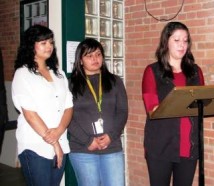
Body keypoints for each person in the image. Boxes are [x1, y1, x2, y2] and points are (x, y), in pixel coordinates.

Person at [142, 22, 205, 186]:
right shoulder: (152, 71)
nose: (182, 45)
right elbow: (152, 110)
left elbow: (203, 103)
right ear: (166, 42)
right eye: (177, 40)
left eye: (185, 40)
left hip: (188, 145)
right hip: (161, 145)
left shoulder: (196, 71)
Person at [11, 25, 73, 186]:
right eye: (43, 42)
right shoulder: (23, 74)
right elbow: (30, 115)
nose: (49, 46)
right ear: (31, 45)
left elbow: (69, 106)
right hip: (35, 144)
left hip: (60, 141)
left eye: (51, 42)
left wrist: (59, 132)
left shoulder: (59, 74)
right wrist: (55, 142)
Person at [68, 38, 128, 186]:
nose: (95, 59)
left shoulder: (115, 81)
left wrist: (111, 136)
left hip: (111, 146)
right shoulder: (70, 84)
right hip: (83, 149)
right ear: (80, 60)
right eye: (89, 56)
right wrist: (87, 140)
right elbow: (66, 117)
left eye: (98, 54)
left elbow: (122, 111)